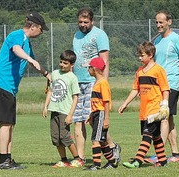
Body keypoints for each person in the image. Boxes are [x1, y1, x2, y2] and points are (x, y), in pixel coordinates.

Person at [0, 12, 49, 170]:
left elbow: (35, 63)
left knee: (10, 123)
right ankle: (2, 160)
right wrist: (28, 58)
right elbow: (16, 49)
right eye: (41, 29)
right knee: (5, 123)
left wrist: (47, 74)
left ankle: (8, 158)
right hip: (2, 83)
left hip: (10, 88)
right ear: (33, 26)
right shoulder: (17, 35)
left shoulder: (27, 43)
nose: (41, 32)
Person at [148, 10, 179, 163]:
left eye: (161, 22)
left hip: (170, 85)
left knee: (163, 117)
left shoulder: (177, 40)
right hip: (157, 86)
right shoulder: (156, 42)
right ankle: (175, 155)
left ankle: (159, 155)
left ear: (169, 22)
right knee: (168, 120)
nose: (158, 25)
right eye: (156, 22)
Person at [72, 8, 119, 166]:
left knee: (93, 121)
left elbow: (104, 61)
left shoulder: (100, 35)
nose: (83, 25)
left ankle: (112, 147)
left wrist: (102, 83)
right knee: (78, 120)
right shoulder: (76, 35)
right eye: (80, 22)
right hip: (78, 82)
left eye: (86, 22)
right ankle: (80, 158)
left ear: (92, 21)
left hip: (94, 82)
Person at [119, 42, 170, 168]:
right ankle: (163, 161)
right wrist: (125, 103)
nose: (139, 58)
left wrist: (164, 105)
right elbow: (135, 89)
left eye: (142, 55)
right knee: (156, 137)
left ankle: (137, 161)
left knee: (147, 135)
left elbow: (165, 89)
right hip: (144, 110)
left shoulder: (158, 70)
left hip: (154, 110)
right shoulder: (140, 72)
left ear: (151, 55)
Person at [42, 50, 81, 168]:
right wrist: (45, 106)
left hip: (65, 112)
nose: (62, 65)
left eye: (65, 63)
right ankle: (64, 160)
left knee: (65, 136)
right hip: (54, 110)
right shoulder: (54, 74)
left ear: (71, 65)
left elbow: (75, 97)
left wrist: (70, 115)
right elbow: (50, 90)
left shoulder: (72, 78)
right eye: (61, 62)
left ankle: (78, 159)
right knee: (56, 137)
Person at [83, 57, 117, 170]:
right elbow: (96, 102)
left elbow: (106, 102)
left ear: (95, 69)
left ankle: (96, 165)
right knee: (102, 141)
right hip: (96, 113)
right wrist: (91, 115)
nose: (88, 70)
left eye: (89, 68)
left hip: (101, 114)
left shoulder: (103, 82)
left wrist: (106, 118)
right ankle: (112, 162)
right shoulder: (96, 82)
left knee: (95, 140)